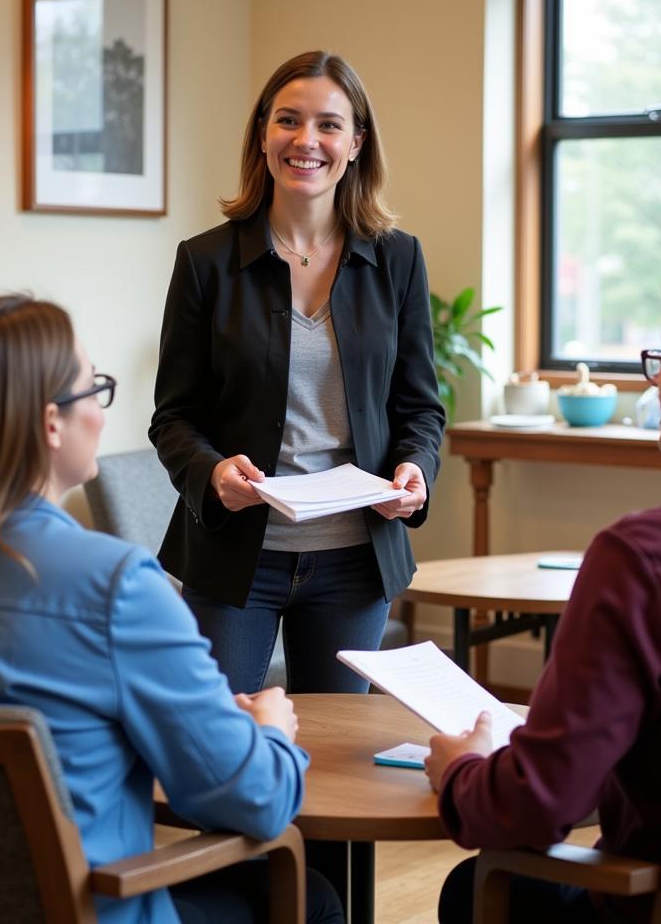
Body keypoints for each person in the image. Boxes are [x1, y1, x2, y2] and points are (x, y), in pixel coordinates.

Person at [0, 295, 342, 924]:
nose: (103, 415)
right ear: (50, 423)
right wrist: (270, 732)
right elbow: (253, 801)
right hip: (76, 910)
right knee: (313, 898)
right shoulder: (113, 585)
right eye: (96, 390)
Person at [425, 245, 661, 924]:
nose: (655, 382)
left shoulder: (645, 559)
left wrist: (465, 770)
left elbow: (535, 809)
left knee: (479, 888)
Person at [149, 50, 445, 695]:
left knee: (339, 752)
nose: (306, 140)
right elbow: (173, 415)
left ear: (357, 143)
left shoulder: (399, 260)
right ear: (262, 134)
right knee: (224, 739)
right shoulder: (205, 261)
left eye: (329, 125)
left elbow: (420, 407)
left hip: (355, 559)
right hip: (234, 557)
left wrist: (415, 469)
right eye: (288, 120)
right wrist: (211, 473)